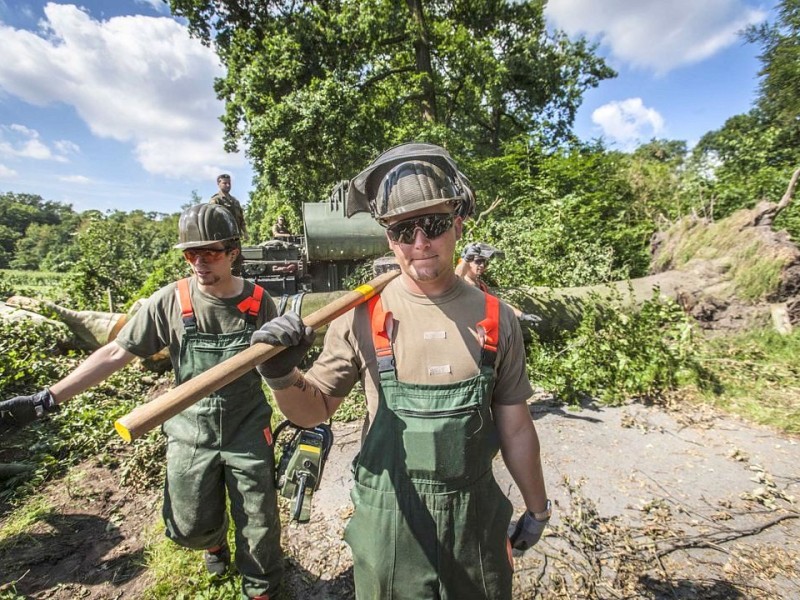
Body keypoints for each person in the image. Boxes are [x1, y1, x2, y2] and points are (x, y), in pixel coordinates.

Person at [250, 143, 550, 599]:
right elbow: (312, 412)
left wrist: (537, 508)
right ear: (388, 238)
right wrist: (279, 373)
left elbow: (516, 425)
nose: (420, 243)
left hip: (475, 525)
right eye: (403, 230)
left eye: (433, 225)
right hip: (389, 523)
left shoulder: (495, 316)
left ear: (458, 224)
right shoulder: (360, 315)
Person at [0, 204, 283, 600]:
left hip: (248, 427)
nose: (199, 263)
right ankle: (212, 542)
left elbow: (279, 369)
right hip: (190, 429)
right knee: (189, 525)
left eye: (210, 252)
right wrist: (47, 398)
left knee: (259, 523)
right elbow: (117, 353)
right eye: (190, 254)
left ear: (233, 251)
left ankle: (261, 589)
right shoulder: (170, 301)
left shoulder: (259, 302)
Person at [457, 242, 541, 324]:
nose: (482, 265)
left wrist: (522, 315)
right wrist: (465, 259)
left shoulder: (481, 285)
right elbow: (456, 279)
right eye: (478, 261)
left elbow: (499, 303)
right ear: (467, 262)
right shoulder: (462, 282)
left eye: (484, 262)